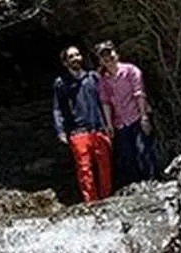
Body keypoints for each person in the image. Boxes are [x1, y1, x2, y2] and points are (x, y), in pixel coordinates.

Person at [52, 45, 114, 203]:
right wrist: (60, 131)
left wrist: (109, 124)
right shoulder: (61, 83)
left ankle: (107, 199)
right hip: (78, 132)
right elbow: (57, 109)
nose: (75, 58)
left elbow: (106, 101)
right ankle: (91, 203)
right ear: (65, 62)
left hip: (99, 128)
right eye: (71, 56)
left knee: (105, 167)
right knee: (85, 170)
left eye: (77, 55)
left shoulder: (93, 77)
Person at [95, 40, 158, 188]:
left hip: (136, 116)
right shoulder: (103, 80)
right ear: (100, 60)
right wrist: (109, 124)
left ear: (116, 54)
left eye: (109, 53)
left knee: (144, 151)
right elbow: (105, 102)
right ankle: (137, 187)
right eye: (103, 56)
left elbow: (139, 93)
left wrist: (144, 117)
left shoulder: (131, 71)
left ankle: (153, 182)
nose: (108, 58)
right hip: (120, 123)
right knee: (128, 156)